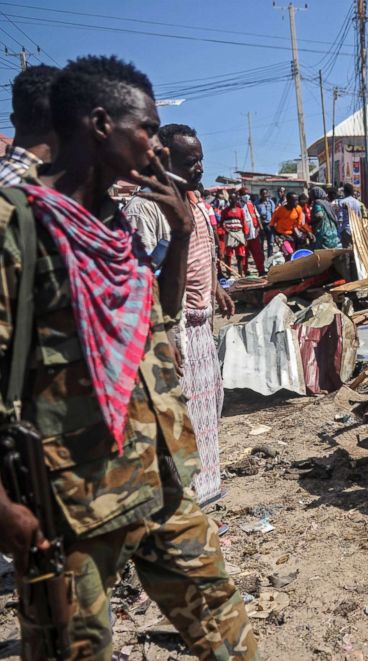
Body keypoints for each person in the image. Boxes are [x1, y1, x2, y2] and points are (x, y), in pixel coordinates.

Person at [0, 54, 256, 659]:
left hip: (160, 479)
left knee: (227, 635)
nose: (158, 146)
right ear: (101, 124)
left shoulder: (117, 224)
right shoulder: (8, 220)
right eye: (149, 129)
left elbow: (154, 327)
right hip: (71, 499)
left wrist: (181, 232)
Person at [124, 123, 234, 507]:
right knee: (177, 419)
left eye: (201, 159)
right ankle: (180, 505)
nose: (200, 168)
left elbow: (203, 251)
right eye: (191, 161)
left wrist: (216, 286)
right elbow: (139, 282)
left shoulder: (195, 202)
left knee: (207, 407)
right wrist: (162, 336)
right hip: (172, 333)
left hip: (200, 324)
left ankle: (205, 492)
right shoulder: (144, 209)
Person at [271, 191, 309, 258]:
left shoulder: (298, 209)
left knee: (294, 254)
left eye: (297, 200)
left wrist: (308, 232)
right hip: (281, 235)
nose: (297, 202)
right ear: (288, 200)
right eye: (294, 200)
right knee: (289, 253)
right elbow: (271, 224)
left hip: (292, 235)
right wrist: (276, 236)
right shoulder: (279, 210)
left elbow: (300, 224)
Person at [218, 195, 250, 274]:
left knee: (240, 255)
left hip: (239, 233)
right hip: (229, 234)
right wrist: (225, 231)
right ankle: (229, 273)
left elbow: (243, 222)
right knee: (228, 255)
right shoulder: (225, 211)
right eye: (231, 199)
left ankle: (240, 273)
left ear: (237, 199)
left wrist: (245, 235)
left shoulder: (240, 211)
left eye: (235, 198)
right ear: (229, 199)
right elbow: (221, 223)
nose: (233, 200)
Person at [242, 196, 265, 275]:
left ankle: (261, 270)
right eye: (243, 194)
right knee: (244, 255)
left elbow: (257, 216)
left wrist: (261, 228)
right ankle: (244, 271)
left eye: (246, 194)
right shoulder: (238, 206)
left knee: (257, 253)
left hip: (254, 233)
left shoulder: (251, 204)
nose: (246, 196)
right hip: (243, 235)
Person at [255, 187, 276, 257]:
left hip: (269, 224)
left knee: (270, 243)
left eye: (266, 194)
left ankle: (269, 258)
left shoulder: (271, 202)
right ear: (260, 194)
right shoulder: (256, 203)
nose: (264, 195)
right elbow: (255, 214)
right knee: (260, 243)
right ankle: (262, 258)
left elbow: (274, 214)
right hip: (260, 225)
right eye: (263, 194)